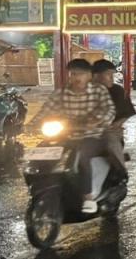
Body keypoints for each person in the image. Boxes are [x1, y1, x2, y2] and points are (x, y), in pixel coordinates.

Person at [30, 59, 115, 213]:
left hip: (92, 136)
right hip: (65, 135)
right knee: (41, 153)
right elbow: (45, 110)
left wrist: (98, 120)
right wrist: (31, 125)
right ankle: (42, 189)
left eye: (80, 74)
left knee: (81, 158)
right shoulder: (61, 93)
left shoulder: (98, 91)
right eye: (73, 74)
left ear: (89, 75)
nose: (76, 77)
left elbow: (109, 110)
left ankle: (88, 198)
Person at [91, 59, 136, 172]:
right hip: (83, 131)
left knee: (111, 143)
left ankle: (121, 173)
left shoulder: (117, 91)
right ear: (95, 76)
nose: (112, 78)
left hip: (108, 130)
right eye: (108, 75)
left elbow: (127, 112)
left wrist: (116, 124)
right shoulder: (85, 90)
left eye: (112, 75)